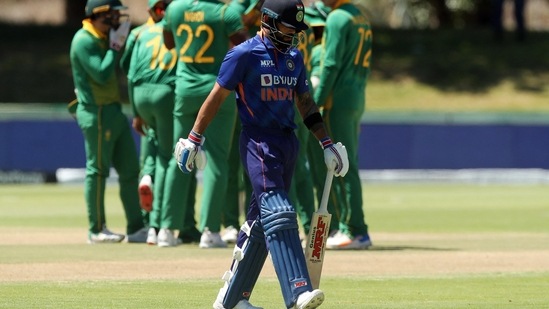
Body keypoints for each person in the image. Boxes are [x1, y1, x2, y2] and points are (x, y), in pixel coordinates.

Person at [173, 0, 349, 307]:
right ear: (266, 21)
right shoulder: (243, 54)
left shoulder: (294, 56)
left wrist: (326, 143)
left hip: (288, 143)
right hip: (259, 143)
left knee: (258, 223)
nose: (293, 33)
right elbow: (216, 97)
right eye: (287, 27)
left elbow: (305, 103)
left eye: (297, 29)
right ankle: (297, 291)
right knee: (279, 211)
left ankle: (231, 300)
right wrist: (194, 137)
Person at [161, 0, 249, 248]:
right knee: (217, 159)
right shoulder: (225, 13)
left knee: (178, 154)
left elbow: (169, 43)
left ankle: (166, 229)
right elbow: (247, 48)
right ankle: (210, 231)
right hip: (217, 90)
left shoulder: (175, 9)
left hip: (185, 89)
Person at [69, 0, 148, 244]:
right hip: (97, 112)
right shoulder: (83, 40)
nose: (116, 20)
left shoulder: (100, 37)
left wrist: (115, 46)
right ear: (97, 15)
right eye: (112, 15)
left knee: (129, 170)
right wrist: (115, 46)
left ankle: (136, 227)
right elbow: (102, 74)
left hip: (112, 110)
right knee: (98, 171)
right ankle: (96, 229)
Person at [312, 0, 372, 250]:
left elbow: (331, 64)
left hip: (338, 98)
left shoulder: (337, 18)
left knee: (341, 163)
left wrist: (313, 104)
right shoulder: (360, 16)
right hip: (356, 95)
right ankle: (353, 228)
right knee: (347, 162)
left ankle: (354, 229)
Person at [120, 0, 177, 245]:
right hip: (165, 93)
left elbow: (128, 70)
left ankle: (147, 179)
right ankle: (158, 224)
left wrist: (136, 111)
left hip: (140, 94)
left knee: (151, 150)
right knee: (167, 157)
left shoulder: (138, 32)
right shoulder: (175, 31)